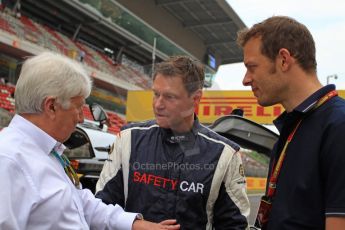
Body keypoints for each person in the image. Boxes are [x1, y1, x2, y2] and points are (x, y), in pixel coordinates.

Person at [0, 52, 180, 230]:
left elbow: (81, 204)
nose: (80, 119)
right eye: (78, 108)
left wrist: (137, 224)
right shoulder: (8, 160)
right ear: (52, 106)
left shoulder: (46, 152)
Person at [95, 56, 250, 229]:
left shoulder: (225, 154)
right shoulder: (128, 138)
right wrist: (137, 224)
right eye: (156, 94)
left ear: (196, 99)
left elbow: (234, 226)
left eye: (169, 97)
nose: (158, 104)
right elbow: (100, 209)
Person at [237, 16, 345, 230]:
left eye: (252, 67)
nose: (246, 79)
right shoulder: (290, 131)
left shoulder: (338, 126)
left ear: (284, 59)